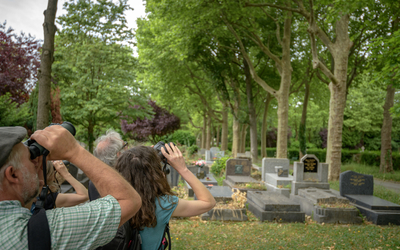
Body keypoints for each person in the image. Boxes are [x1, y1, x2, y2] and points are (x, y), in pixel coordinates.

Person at [0, 125, 142, 249]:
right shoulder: (43, 231)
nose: (34, 162)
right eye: (29, 159)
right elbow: (129, 200)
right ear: (12, 175)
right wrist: (74, 151)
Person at [114, 143, 216, 250]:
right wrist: (183, 169)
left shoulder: (111, 200)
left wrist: (141, 155)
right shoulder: (163, 204)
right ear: (155, 174)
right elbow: (208, 202)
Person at [89, 129, 128, 200]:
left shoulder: (94, 181)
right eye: (125, 145)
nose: (127, 148)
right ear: (119, 155)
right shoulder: (126, 178)